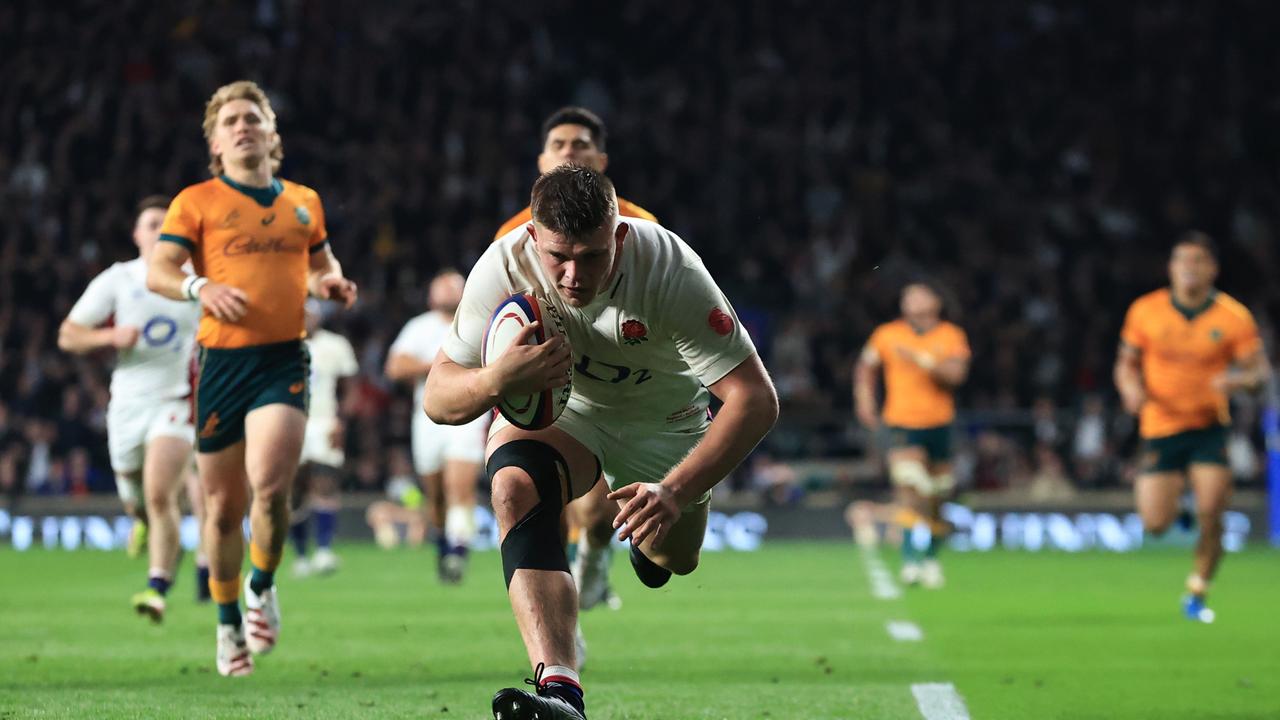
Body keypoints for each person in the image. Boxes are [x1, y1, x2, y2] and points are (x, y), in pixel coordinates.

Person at [426, 165, 777, 720]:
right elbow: (438, 399)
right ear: (532, 238)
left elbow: (756, 399)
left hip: (666, 422)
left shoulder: (670, 267)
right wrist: (495, 380)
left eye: (590, 257)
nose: (571, 275)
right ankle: (562, 692)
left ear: (618, 235)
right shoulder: (504, 265)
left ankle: (646, 548)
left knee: (674, 559)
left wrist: (676, 490)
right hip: (570, 412)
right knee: (514, 487)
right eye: (557, 257)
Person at [147, 80, 357, 677]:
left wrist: (329, 284)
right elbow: (160, 271)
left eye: (253, 118)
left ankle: (261, 585)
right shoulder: (196, 201)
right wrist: (200, 286)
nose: (243, 127)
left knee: (269, 486)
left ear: (272, 134)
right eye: (231, 120)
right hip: (221, 364)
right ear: (215, 140)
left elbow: (320, 264)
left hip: (282, 358)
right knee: (221, 505)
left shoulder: (303, 201)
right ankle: (227, 622)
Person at [495, 106, 659, 625]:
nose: (569, 151)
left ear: (602, 160)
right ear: (542, 159)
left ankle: (593, 560)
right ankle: (566, 625)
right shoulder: (512, 234)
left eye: (581, 144)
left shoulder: (642, 227)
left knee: (598, 516)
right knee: (543, 498)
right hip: (554, 384)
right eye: (559, 144)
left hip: (624, 381)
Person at [58, 194, 207, 622]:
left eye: (167, 223)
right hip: (127, 405)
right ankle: (145, 523)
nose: (160, 230)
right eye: (151, 223)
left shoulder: (196, 281)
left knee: (161, 494)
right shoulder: (119, 279)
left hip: (176, 402)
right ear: (136, 234)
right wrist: (109, 338)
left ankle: (157, 585)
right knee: (138, 501)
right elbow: (69, 335)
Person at [1114, 232, 1268, 623]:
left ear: (1212, 268)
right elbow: (1126, 364)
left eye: (1197, 260)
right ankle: (1179, 506)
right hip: (1160, 426)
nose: (1189, 267)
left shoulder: (1233, 317)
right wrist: (1131, 390)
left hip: (1208, 427)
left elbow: (1259, 372)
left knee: (1213, 511)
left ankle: (1197, 590)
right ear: (1171, 267)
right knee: (1155, 523)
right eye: (1181, 259)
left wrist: (1235, 382)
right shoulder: (1145, 311)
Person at [854, 282, 970, 589]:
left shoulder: (951, 336)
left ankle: (930, 559)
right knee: (909, 485)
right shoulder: (887, 335)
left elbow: (956, 376)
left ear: (936, 301)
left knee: (937, 497)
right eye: (907, 296)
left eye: (919, 295)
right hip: (902, 423)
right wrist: (864, 399)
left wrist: (923, 360)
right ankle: (909, 562)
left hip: (939, 424)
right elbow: (865, 368)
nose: (911, 300)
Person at [385, 269, 487, 584]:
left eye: (454, 286)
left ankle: (457, 552)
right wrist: (439, 365)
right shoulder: (420, 328)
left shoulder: (478, 323)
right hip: (428, 416)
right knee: (436, 495)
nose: (448, 292)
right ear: (431, 296)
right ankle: (444, 543)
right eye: (442, 287)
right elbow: (394, 367)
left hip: (470, 413)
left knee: (460, 486)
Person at [290, 302, 359, 577]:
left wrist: (341, 421)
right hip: (290, 421)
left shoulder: (336, 345)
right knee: (294, 489)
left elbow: (351, 388)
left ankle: (323, 550)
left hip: (323, 421)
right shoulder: (282, 344)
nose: (307, 320)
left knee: (325, 483)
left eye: (311, 315)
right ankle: (300, 555)